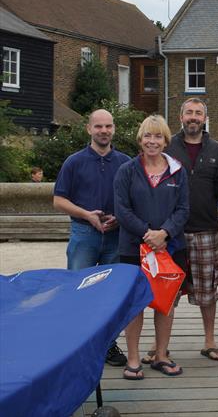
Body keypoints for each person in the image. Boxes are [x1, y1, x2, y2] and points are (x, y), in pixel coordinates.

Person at [114, 115, 190, 379]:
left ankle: (161, 354)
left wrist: (165, 233)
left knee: (165, 303)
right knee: (135, 304)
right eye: (148, 136)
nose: (152, 141)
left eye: (158, 136)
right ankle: (133, 359)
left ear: (166, 140)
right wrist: (148, 233)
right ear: (140, 139)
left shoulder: (178, 171)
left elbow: (183, 209)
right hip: (134, 248)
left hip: (169, 248)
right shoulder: (127, 170)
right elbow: (122, 210)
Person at [53, 108, 130, 367]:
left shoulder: (125, 162)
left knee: (111, 294)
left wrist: (120, 216)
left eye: (108, 126)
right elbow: (58, 200)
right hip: (84, 234)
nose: (104, 131)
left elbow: (134, 199)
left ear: (114, 129)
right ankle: (76, 345)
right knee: (78, 290)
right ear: (88, 129)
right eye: (99, 127)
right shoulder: (74, 162)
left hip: (115, 235)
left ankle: (108, 344)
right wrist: (86, 214)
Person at [165, 98, 218, 361]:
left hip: (205, 227)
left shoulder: (217, 149)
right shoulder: (168, 147)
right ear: (181, 117)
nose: (193, 117)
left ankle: (209, 340)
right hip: (171, 231)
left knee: (207, 287)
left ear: (205, 118)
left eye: (198, 113)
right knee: (167, 290)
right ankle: (161, 344)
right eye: (189, 113)